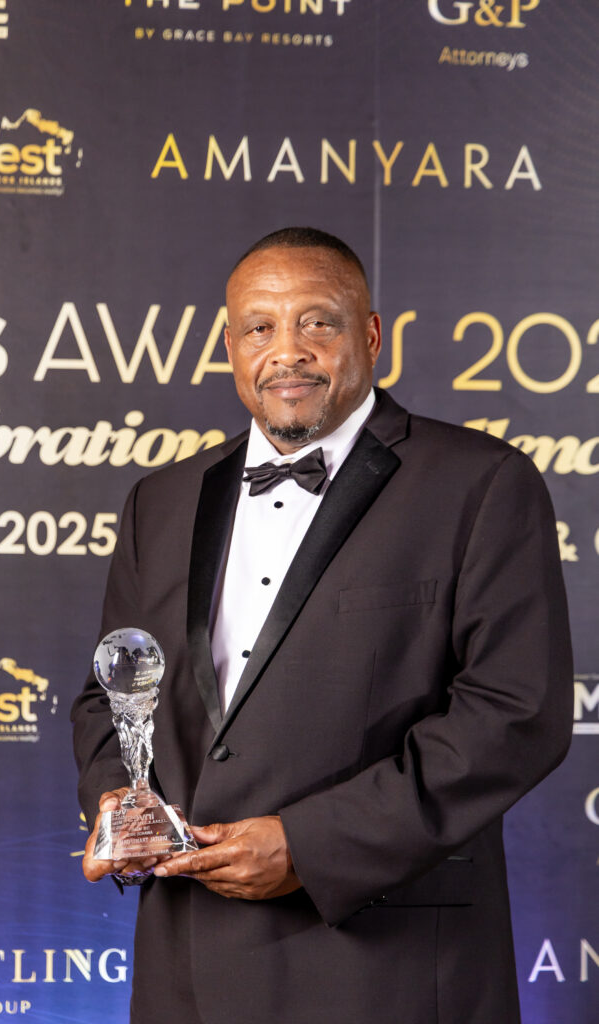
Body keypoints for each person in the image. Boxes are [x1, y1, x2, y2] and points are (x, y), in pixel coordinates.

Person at [71, 227, 573, 1024]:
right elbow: (112, 695)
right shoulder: (159, 501)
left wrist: (311, 845)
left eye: (317, 322)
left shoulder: (481, 483)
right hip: (186, 966)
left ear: (368, 336)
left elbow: (514, 713)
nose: (287, 351)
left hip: (384, 965)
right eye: (259, 327)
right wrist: (119, 802)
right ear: (229, 346)